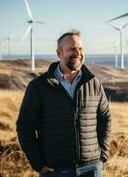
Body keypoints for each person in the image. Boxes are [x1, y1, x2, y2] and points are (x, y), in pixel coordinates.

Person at [17, 29, 111, 177]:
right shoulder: (39, 86)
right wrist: (38, 164)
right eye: (72, 49)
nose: (78, 53)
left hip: (91, 168)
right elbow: (24, 126)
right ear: (59, 53)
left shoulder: (94, 83)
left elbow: (105, 117)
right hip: (56, 170)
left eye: (80, 48)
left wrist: (102, 153)